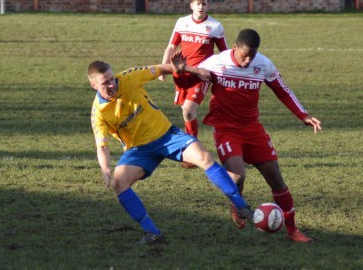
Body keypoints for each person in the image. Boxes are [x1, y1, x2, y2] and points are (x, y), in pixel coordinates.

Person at [87, 52, 253, 245]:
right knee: (118, 183)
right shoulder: (98, 112)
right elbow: (102, 145)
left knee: (205, 157)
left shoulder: (128, 78)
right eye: (105, 83)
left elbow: (162, 68)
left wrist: (193, 70)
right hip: (139, 151)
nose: (111, 85)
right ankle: (152, 232)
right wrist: (105, 167)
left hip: (167, 136)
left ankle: (242, 206)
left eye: (111, 79)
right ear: (94, 86)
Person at [193, 29, 322, 243]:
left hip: (253, 130)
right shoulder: (215, 63)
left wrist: (303, 115)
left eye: (251, 56)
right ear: (234, 48)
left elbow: (282, 90)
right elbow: (190, 82)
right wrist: (183, 82)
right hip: (226, 130)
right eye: (244, 56)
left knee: (276, 179)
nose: (247, 61)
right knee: (237, 176)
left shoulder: (263, 64)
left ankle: (292, 231)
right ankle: (237, 202)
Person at [159, 0, 228, 167]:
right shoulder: (182, 23)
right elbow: (171, 46)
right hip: (181, 74)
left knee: (189, 109)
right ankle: (192, 148)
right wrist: (163, 68)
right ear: (191, 6)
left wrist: (226, 74)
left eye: (204, 4)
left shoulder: (215, 26)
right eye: (198, 4)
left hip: (201, 74)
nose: (201, 7)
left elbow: (224, 54)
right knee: (185, 111)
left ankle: (193, 151)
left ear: (207, 6)